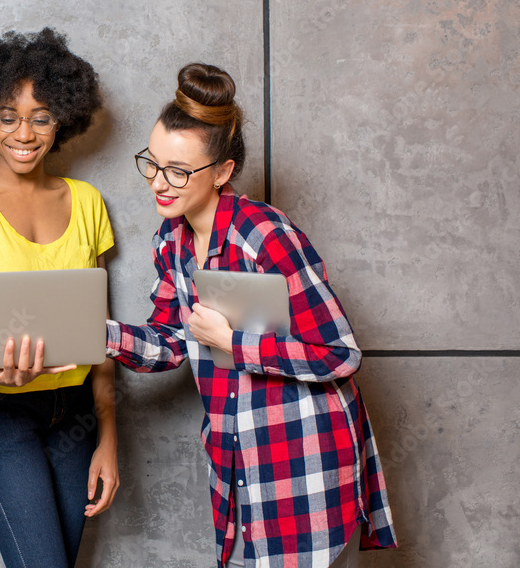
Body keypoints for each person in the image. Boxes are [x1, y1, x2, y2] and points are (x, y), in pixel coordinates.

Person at [106, 63, 397, 567]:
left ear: (222, 172)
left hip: (304, 463)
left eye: (178, 171)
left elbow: (340, 354)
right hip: (239, 464)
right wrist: (102, 334)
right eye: (151, 163)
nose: (159, 182)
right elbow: (171, 342)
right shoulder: (170, 242)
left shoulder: (265, 233)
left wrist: (233, 341)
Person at [0, 29, 119, 568]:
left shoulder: (87, 203)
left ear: (64, 119)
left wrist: (108, 436)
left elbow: (101, 333)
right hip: (0, 410)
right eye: (8, 116)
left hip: (76, 408)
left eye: (42, 116)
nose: (24, 133)